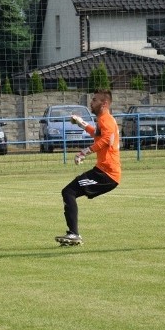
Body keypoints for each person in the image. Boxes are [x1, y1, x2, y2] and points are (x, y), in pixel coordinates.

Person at [55, 89, 122, 246]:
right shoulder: (104, 120)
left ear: (104, 104)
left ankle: (74, 234)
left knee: (69, 191)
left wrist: (85, 152)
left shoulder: (106, 119)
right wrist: (81, 123)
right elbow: (97, 134)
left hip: (106, 174)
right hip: (103, 172)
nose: (91, 102)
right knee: (68, 192)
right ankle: (73, 234)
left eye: (95, 100)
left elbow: (106, 140)